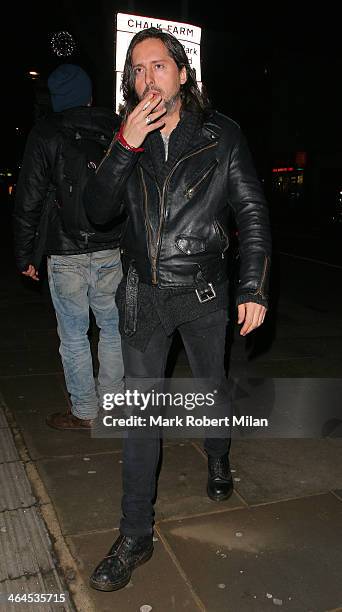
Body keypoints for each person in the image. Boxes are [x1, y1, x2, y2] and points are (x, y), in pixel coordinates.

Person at [84, 28, 271, 591]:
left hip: (204, 293)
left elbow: (253, 212)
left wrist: (254, 287)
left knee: (211, 385)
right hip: (144, 296)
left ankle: (217, 453)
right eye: (136, 71)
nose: (147, 80)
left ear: (182, 75)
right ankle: (135, 534)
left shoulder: (221, 136)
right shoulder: (125, 137)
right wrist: (125, 146)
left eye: (157, 66)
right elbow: (95, 211)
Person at [13, 63, 124, 430]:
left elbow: (28, 198)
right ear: (90, 95)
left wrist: (25, 253)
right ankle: (112, 407)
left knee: (74, 335)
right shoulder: (115, 127)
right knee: (112, 329)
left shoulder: (45, 133)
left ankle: (84, 411)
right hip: (111, 246)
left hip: (64, 252)